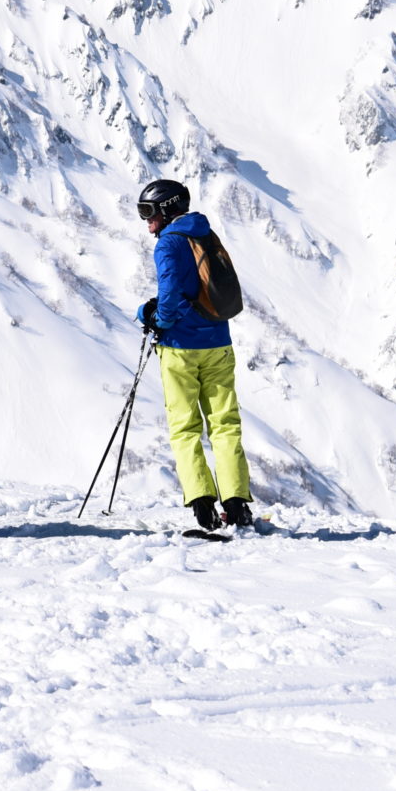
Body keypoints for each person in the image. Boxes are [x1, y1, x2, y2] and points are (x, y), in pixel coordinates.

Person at [136, 178, 254, 530]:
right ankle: (236, 506)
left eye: (148, 210)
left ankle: (203, 508)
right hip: (219, 343)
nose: (146, 220)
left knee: (185, 427)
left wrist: (155, 317)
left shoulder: (169, 244)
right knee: (225, 425)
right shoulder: (205, 234)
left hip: (180, 350)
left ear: (166, 208)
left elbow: (170, 295)